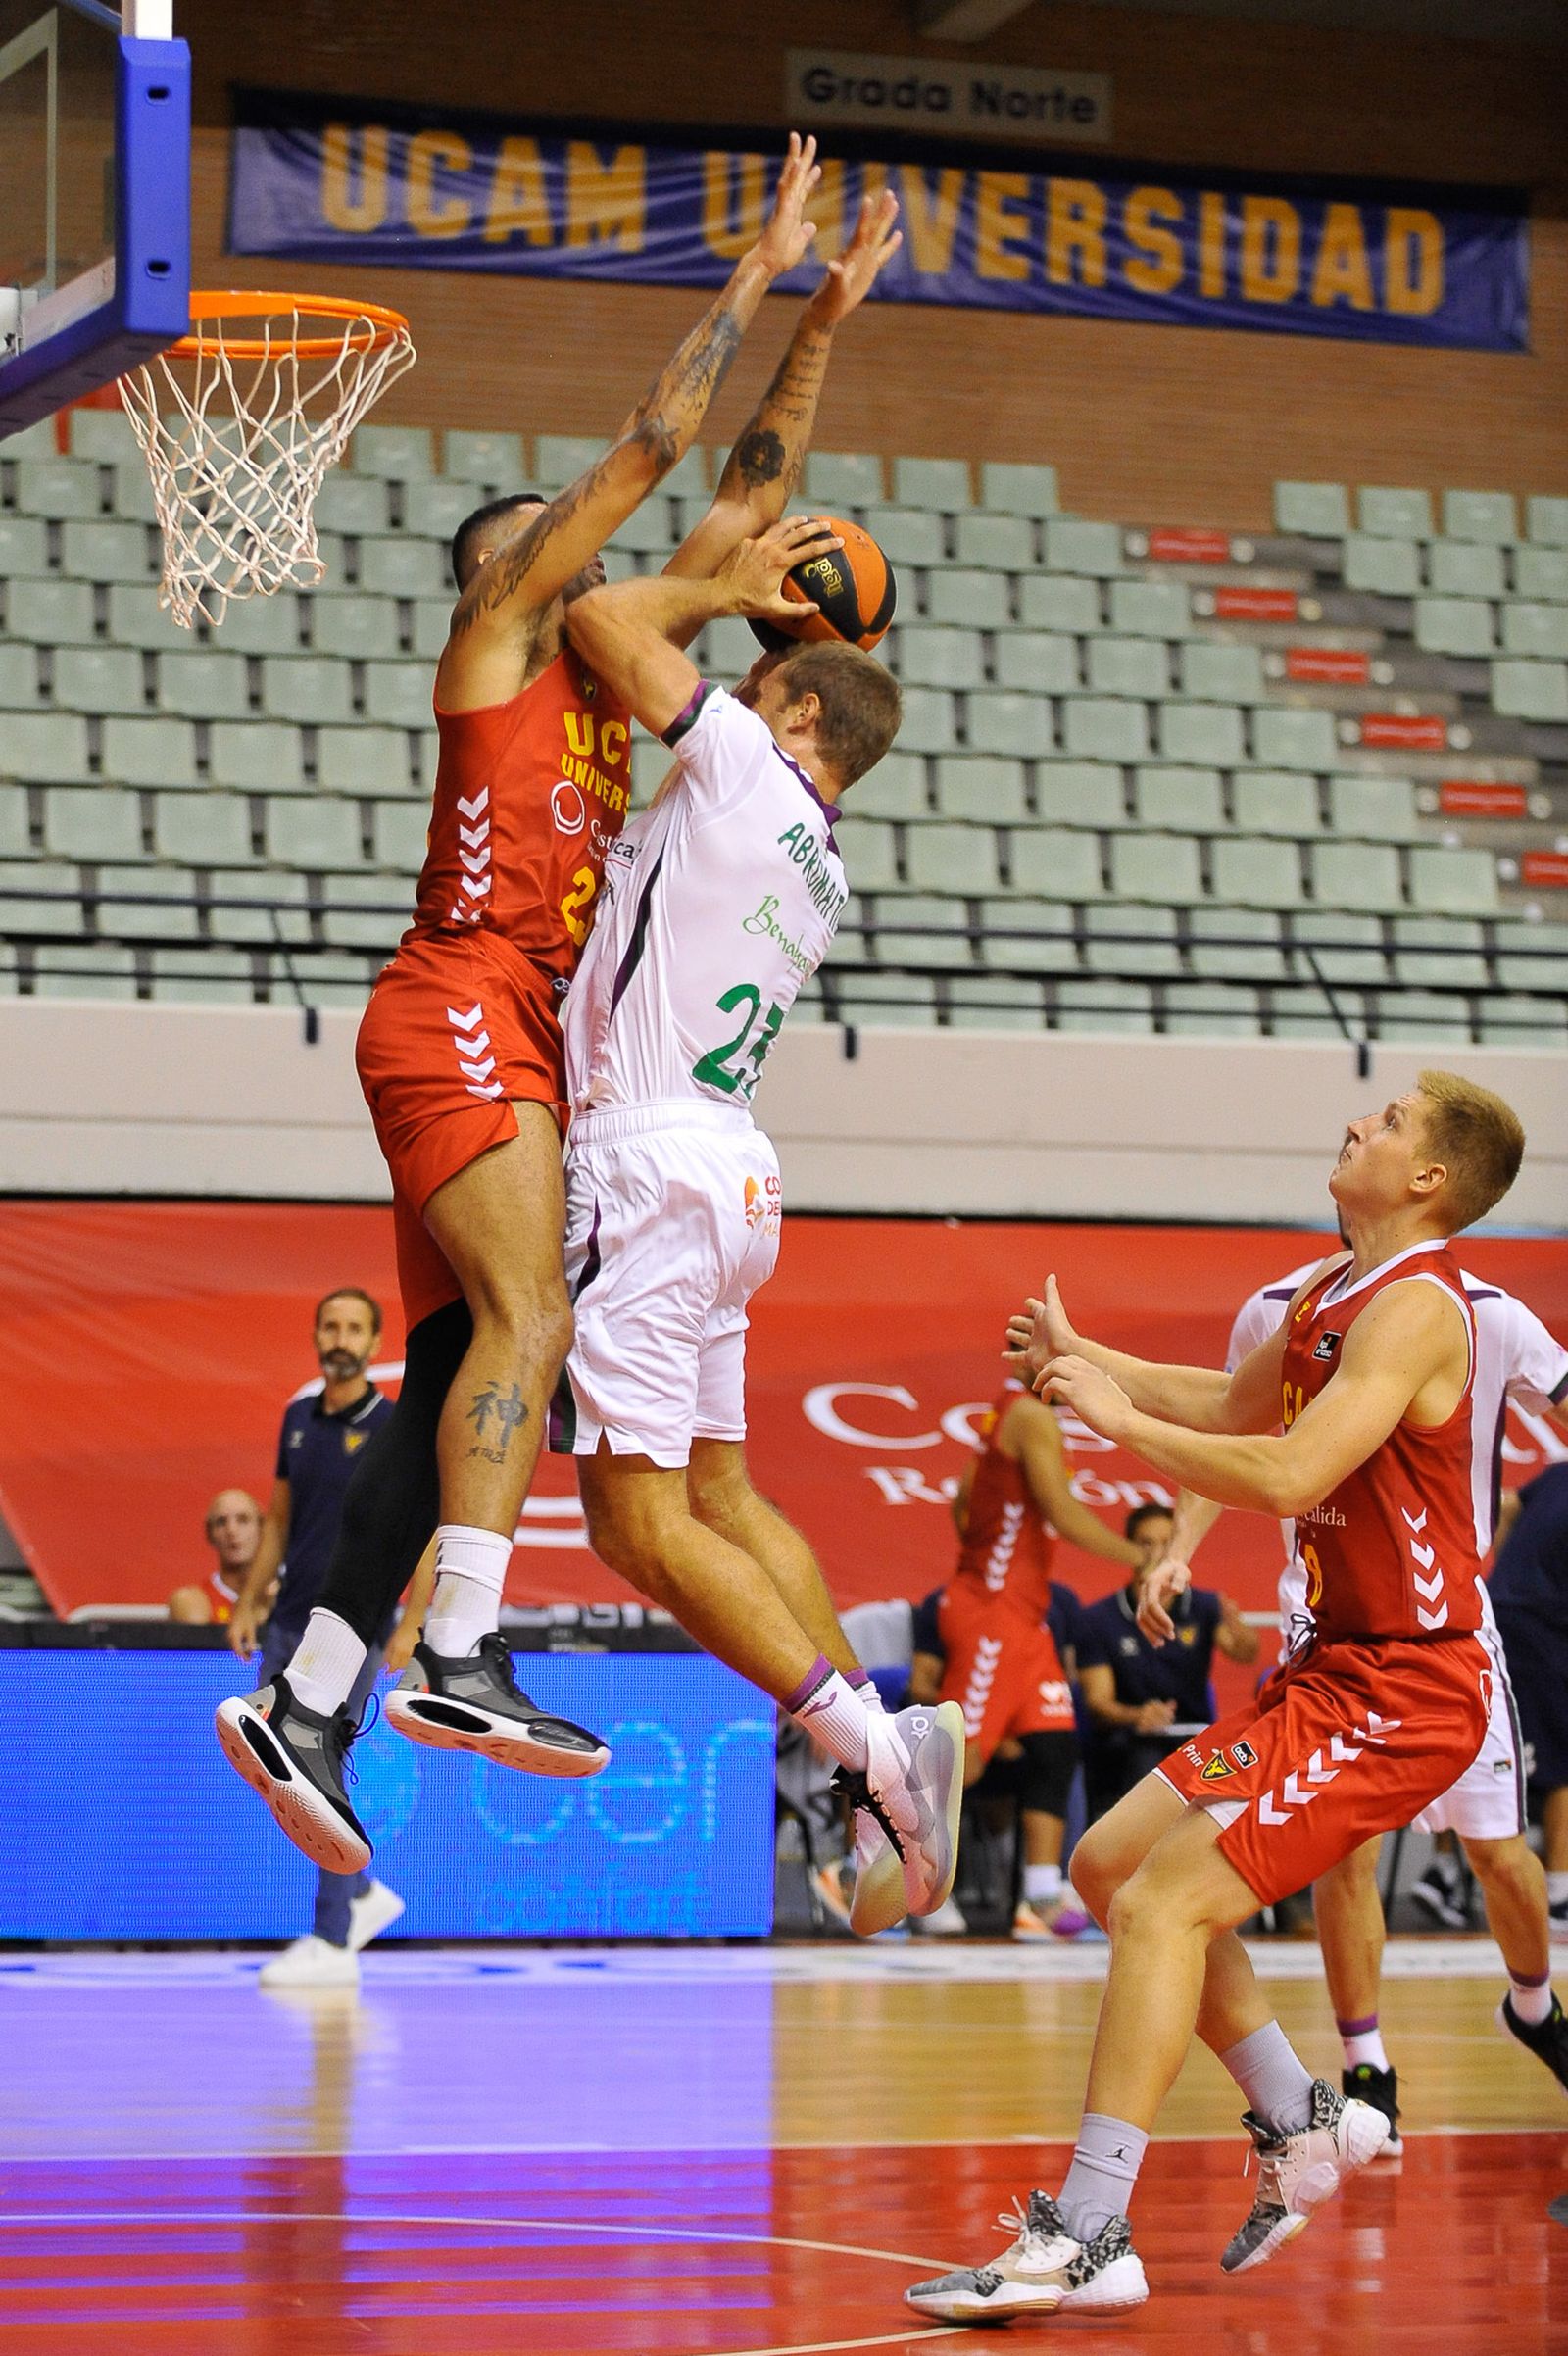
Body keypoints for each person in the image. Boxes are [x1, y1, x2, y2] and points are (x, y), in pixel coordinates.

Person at [215, 143, 882, 1876]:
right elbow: (667, 454)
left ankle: (315, 1697)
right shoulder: (515, 635)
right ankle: (457, 1651)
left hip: (514, 1043)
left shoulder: (618, 660)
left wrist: (822, 312)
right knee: (530, 1332)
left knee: (461, 1373)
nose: (583, 556)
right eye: (550, 543)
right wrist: (748, 265)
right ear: (504, 576)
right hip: (457, 1005)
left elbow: (750, 489)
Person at [907, 1072, 1525, 2321]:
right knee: (1102, 1864)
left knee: (1158, 1908)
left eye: (1393, 1121)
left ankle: (1089, 2231)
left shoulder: (1419, 1307)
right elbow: (1236, 1404)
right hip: (1330, 1671)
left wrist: (1111, 1416)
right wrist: (1092, 1364)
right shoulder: (1324, 1294)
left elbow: (1288, 1466)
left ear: (1429, 1182)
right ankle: (1303, 2117)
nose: (1361, 1120)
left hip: (1406, 1684)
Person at [550, 516, 962, 1934]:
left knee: (635, 1525)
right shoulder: (824, 854)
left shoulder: (741, 764)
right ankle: (877, 1748)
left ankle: (876, 1750)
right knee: (723, 1497)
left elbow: (600, 626)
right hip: (734, 1175)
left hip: (647, 1163)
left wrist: (724, 589)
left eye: (761, 672)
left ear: (791, 709)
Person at [1156, 1256, 1568, 2144]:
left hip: (1441, 1631)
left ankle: (1534, 2004)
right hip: (1325, 1628)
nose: (1360, 1133)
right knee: (1339, 1855)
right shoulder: (1281, 1304)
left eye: (1386, 1121)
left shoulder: (1480, 1310)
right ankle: (1363, 2066)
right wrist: (1176, 1547)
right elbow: (1235, 1425)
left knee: (1499, 1853)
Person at [225, 1288, 425, 1988]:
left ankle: (333, 1938)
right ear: (316, 1334)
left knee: (318, 1776)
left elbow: (423, 1531)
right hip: (290, 1619)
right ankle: (363, 1895)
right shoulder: (298, 1416)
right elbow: (278, 1517)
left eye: (355, 1329)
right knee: (273, 1769)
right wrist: (250, 1600)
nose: (340, 1338)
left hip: (355, 1627)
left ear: (376, 1344)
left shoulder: (396, 1427)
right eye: (330, 1326)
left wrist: (411, 1623)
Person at [909, 1377, 1144, 1938]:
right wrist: (1142, 1558)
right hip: (994, 1611)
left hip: (1020, 1610)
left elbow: (966, 1500)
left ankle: (1039, 1898)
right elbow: (1062, 1512)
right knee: (963, 1760)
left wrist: (990, 1559)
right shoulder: (1032, 1418)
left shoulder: (1004, 1410)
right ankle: (881, 1876)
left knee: (1053, 1745)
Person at [1075, 1503, 1257, 1819]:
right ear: (1129, 1548)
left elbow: (1245, 1652)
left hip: (1193, 1736)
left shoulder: (1204, 1606)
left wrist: (1237, 1626)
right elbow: (1097, 1701)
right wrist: (1137, 1715)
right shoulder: (1099, 1619)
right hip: (1130, 1739)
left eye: (1166, 1543)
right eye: (1146, 1543)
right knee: (1144, 1763)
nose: (1157, 1553)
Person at [1490, 1462, 1568, 1936]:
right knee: (1563, 1762)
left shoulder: (1558, 1474)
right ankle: (1561, 1895)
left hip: (1495, 1613)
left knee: (1473, 1749)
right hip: (1537, 1629)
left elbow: (1503, 1504)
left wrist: (1507, 1570)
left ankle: (1439, 1876)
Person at [203, 1488, 262, 1617]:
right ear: (209, 1534)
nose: (232, 1530)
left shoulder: (287, 1598)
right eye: (221, 1522)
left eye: (243, 1520)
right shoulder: (199, 1602)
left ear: (261, 1529)